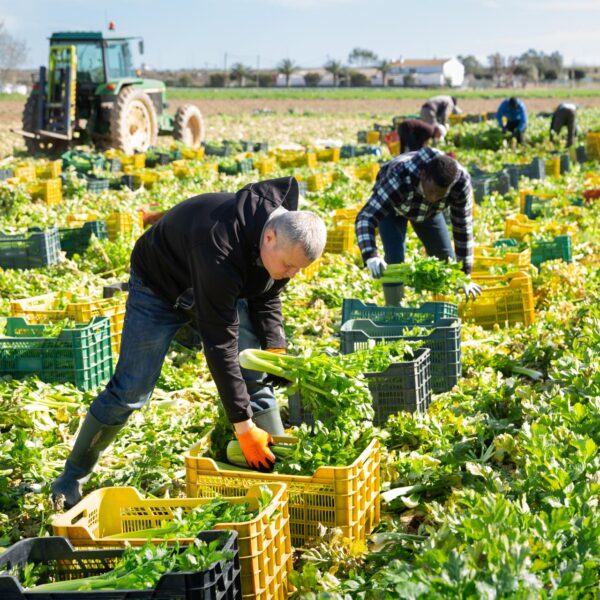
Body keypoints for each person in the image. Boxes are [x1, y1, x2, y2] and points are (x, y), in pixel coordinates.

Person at [51, 176, 327, 509]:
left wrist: (275, 346)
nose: (291, 274)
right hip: (160, 287)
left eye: (299, 269)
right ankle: (72, 476)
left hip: (217, 287)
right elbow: (220, 343)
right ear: (268, 237)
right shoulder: (220, 247)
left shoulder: (282, 239)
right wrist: (243, 428)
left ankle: (276, 472)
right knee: (130, 391)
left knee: (255, 371)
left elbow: (266, 294)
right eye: (288, 266)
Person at [355, 148, 481, 306]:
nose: (434, 197)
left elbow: (463, 229)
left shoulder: (460, 184)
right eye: (431, 191)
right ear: (422, 174)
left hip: (429, 213)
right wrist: (370, 254)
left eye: (440, 195)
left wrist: (463, 275)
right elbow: (366, 217)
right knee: (395, 259)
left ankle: (444, 308)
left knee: (447, 261)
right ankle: (394, 310)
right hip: (393, 209)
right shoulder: (399, 177)